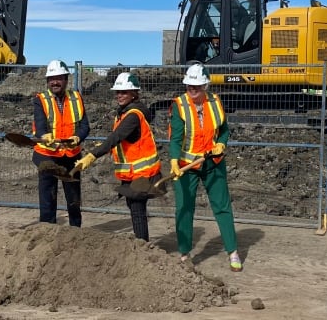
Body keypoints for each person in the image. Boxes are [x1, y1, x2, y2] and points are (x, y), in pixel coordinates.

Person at [168, 63, 242, 272]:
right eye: (190, 86)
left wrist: (222, 144)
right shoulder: (179, 105)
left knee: (222, 206)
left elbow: (224, 130)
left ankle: (233, 252)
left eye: (197, 86)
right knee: (184, 208)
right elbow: (175, 138)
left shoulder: (215, 102)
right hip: (187, 165)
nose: (193, 90)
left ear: (205, 86)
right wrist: (174, 160)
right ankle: (184, 254)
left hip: (213, 163)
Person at [73, 72, 161, 241]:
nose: (119, 95)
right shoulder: (125, 112)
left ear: (134, 93)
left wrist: (92, 155)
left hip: (140, 173)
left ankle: (143, 248)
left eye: (124, 92)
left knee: (137, 209)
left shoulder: (133, 115)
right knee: (134, 206)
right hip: (133, 172)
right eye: (118, 92)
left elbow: (115, 137)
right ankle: (142, 245)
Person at [32, 59, 90, 227]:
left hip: (71, 156)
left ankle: (75, 233)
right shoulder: (40, 99)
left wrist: (78, 137)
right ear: (47, 81)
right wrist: (44, 135)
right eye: (51, 79)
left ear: (66, 79)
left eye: (58, 78)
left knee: (74, 199)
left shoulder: (76, 97)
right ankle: (47, 232)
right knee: (47, 199)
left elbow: (85, 125)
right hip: (47, 156)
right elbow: (40, 125)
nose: (55, 82)